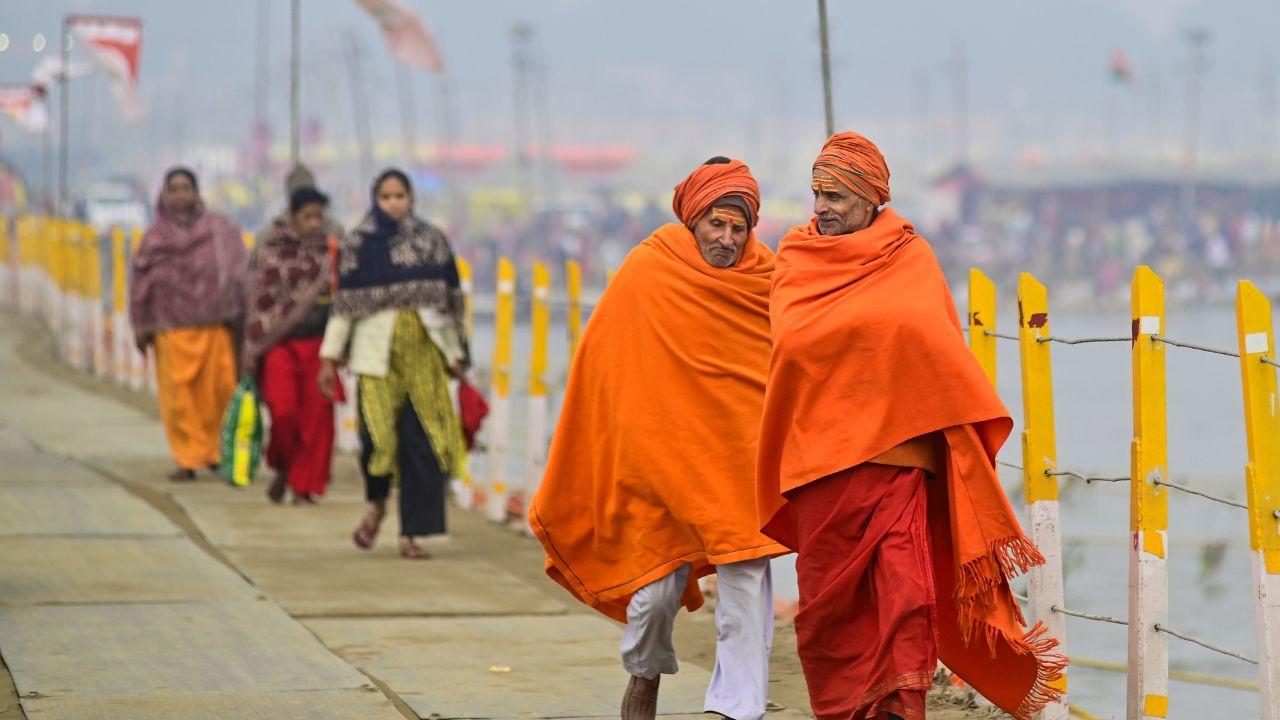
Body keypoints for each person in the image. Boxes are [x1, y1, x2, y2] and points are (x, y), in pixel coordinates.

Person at [755, 132, 1066, 720]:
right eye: (817, 193)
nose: (822, 207)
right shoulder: (796, 258)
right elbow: (792, 348)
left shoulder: (909, 257)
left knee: (909, 602)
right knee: (828, 620)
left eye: (838, 196)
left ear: (873, 200)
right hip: (821, 471)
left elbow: (935, 352)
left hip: (898, 469)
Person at [529, 158, 786, 720]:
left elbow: (790, 365)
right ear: (693, 220)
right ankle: (643, 674)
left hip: (737, 465)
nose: (727, 238)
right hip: (659, 468)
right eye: (717, 224)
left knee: (746, 582)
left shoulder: (769, 279)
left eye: (738, 228)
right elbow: (605, 366)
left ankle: (737, 709)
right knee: (655, 596)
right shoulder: (649, 269)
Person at [317, 168, 467, 560]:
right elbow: (344, 306)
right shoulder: (358, 245)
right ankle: (377, 504)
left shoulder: (431, 241)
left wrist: (457, 355)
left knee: (422, 444)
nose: (394, 203)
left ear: (412, 198)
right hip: (374, 357)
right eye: (386, 197)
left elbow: (450, 302)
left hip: (424, 356)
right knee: (378, 440)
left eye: (400, 196)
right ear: (375, 200)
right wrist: (329, 358)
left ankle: (411, 535)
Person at [130, 167, 248, 481]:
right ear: (164, 195)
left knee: (219, 393)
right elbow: (140, 284)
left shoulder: (219, 229)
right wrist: (141, 325)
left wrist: (242, 318)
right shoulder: (154, 238)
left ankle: (215, 453)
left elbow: (238, 272)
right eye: (175, 189)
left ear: (197, 193)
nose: (181, 195)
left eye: (186, 188)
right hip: (170, 330)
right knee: (179, 399)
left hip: (214, 327)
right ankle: (187, 458)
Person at [242, 186, 341, 505]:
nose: (314, 223)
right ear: (292, 216)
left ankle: (304, 486)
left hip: (320, 346)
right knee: (283, 413)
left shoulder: (332, 252)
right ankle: (283, 465)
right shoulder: (272, 251)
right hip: (279, 344)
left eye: (318, 216)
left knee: (316, 419)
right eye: (306, 216)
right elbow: (259, 300)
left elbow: (345, 301)